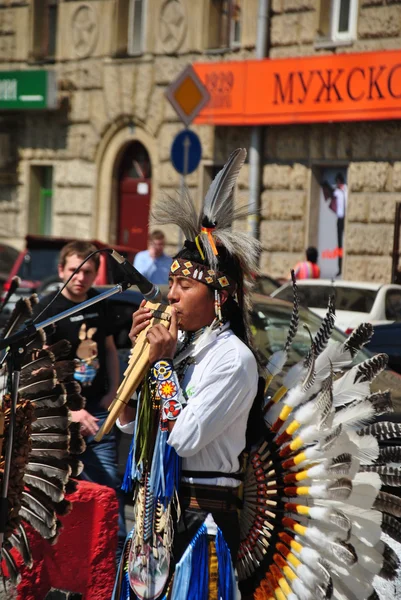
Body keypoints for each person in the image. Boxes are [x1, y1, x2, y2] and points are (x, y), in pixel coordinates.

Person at [113, 149, 260, 599]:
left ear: (220, 295)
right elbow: (128, 422)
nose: (171, 295)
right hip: (155, 522)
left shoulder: (233, 360)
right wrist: (139, 360)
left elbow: (184, 437)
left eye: (185, 285)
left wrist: (158, 365)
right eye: (171, 283)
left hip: (202, 526)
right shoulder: (184, 349)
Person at [34, 240, 126, 560]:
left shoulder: (102, 304)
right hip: (60, 423)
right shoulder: (47, 310)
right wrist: (71, 412)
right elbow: (40, 372)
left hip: (99, 414)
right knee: (65, 501)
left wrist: (115, 389)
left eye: (87, 271)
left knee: (108, 493)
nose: (80, 277)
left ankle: (112, 568)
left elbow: (111, 350)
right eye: (74, 269)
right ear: (61, 270)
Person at [333, 172, 347, 276]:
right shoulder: (336, 192)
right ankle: (339, 268)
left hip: (347, 218)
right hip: (340, 218)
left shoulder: (346, 190)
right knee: (340, 244)